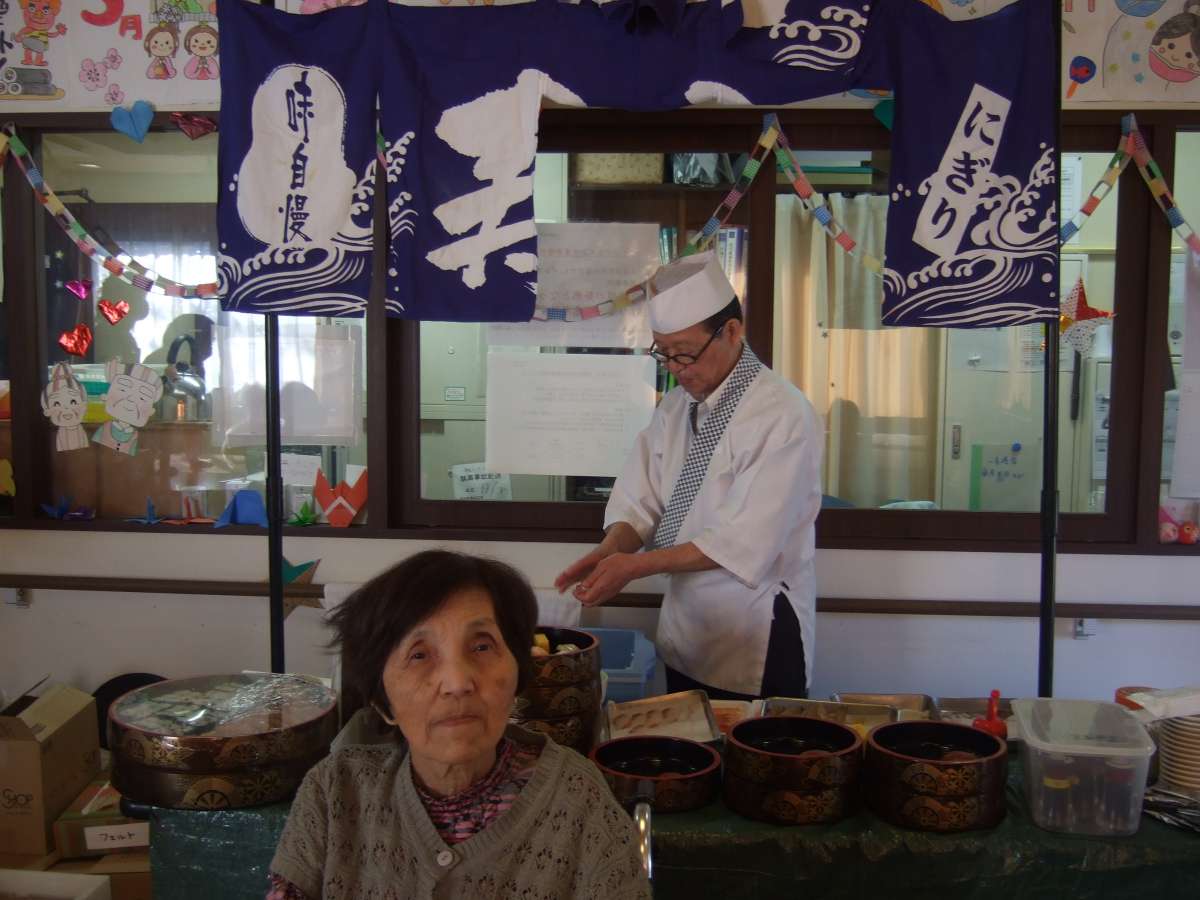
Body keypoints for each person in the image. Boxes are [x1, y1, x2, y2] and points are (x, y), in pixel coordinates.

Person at [268, 550, 650, 900]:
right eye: (419, 655)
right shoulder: (334, 793)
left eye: (482, 646)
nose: (457, 682)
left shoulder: (578, 799)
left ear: (517, 674)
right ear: (384, 704)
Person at [556, 252, 823, 701]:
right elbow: (641, 501)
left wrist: (636, 566)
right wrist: (609, 551)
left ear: (732, 331)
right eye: (665, 355)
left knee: (754, 745)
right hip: (688, 626)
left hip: (757, 631)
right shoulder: (676, 407)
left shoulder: (783, 414)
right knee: (686, 738)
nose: (678, 369)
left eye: (686, 353)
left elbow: (744, 540)